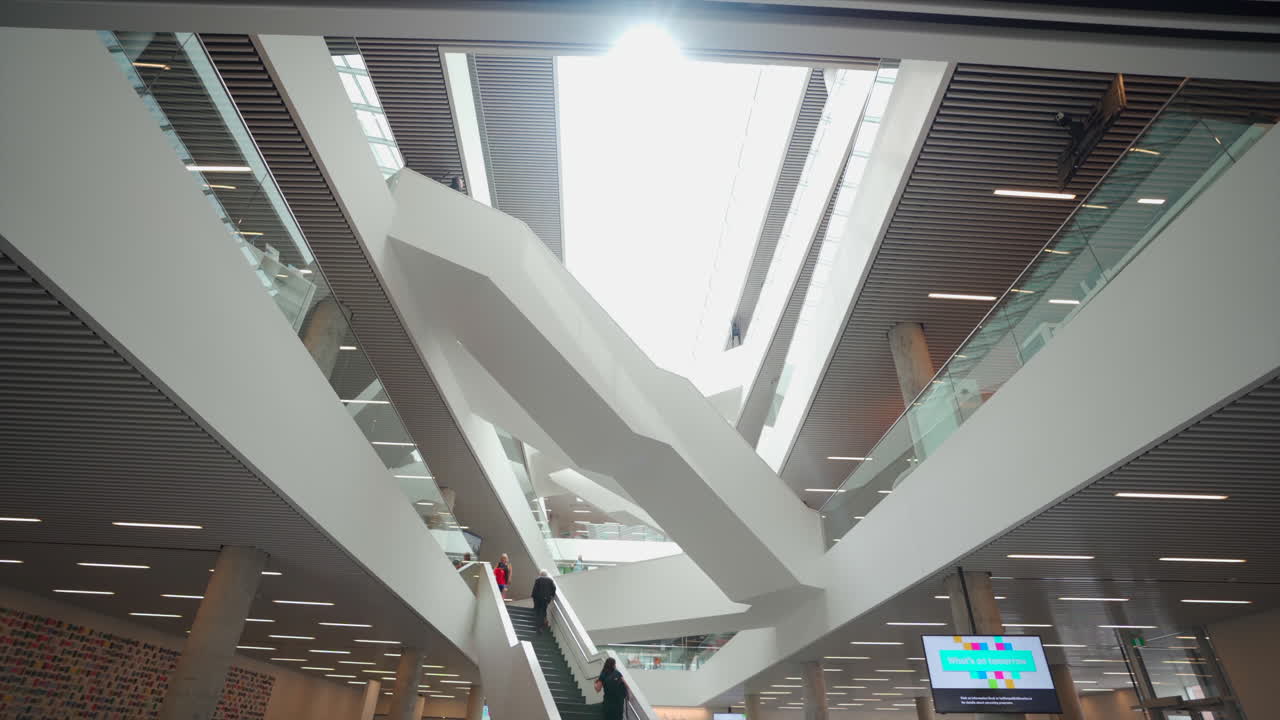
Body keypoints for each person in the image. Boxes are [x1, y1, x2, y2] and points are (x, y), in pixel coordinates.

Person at [530, 569, 557, 634]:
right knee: (543, 611)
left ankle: (537, 626)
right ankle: (541, 626)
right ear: (546, 574)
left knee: (537, 611)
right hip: (545, 599)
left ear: (540, 574)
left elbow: (535, 589)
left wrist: (533, 596)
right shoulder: (550, 580)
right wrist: (551, 595)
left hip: (537, 598)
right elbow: (554, 588)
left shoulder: (538, 579)